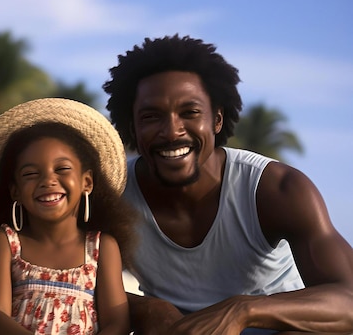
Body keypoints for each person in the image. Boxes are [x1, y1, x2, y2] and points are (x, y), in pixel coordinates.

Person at [103, 34, 353, 334]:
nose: (171, 131)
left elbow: (348, 300)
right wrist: (148, 308)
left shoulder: (274, 188)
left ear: (217, 120)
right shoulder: (113, 194)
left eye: (190, 113)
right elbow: (62, 277)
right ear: (133, 126)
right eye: (151, 116)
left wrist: (242, 310)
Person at [0, 98, 137, 334]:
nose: (48, 181)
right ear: (14, 190)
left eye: (62, 169)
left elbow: (117, 322)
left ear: (86, 182)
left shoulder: (101, 247)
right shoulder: (5, 242)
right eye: (31, 173)